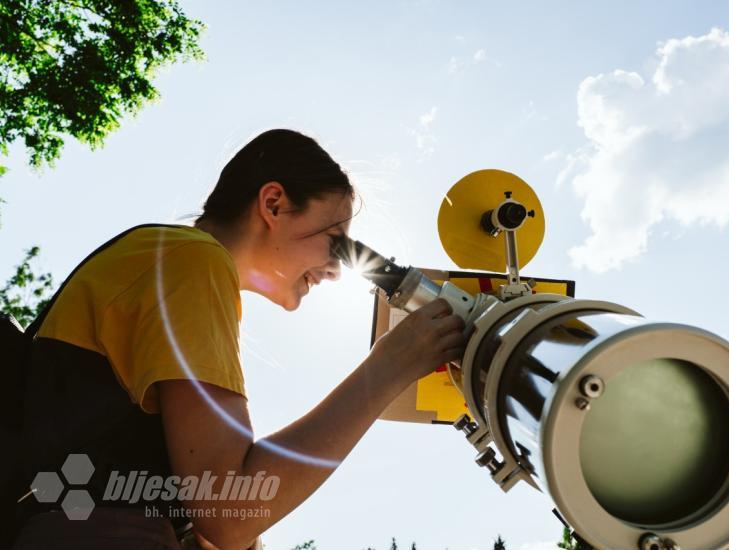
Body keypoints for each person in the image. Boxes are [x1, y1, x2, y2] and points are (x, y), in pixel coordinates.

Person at [13, 129, 466, 549]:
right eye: (335, 240)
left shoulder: (166, 261)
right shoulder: (192, 259)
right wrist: (387, 370)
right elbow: (229, 509)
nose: (335, 270)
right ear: (273, 203)